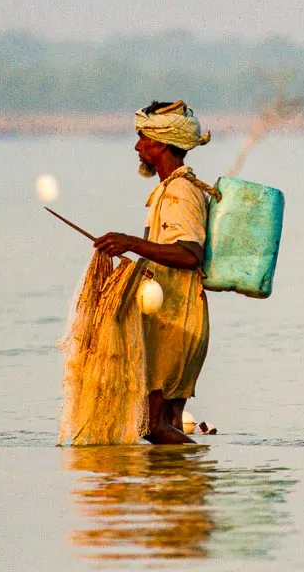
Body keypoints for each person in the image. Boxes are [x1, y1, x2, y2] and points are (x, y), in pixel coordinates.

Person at [94, 100, 218, 445]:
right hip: (176, 317)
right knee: (170, 423)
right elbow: (167, 253)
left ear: (160, 143)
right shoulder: (168, 189)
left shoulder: (180, 191)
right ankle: (181, 493)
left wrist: (131, 242)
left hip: (177, 322)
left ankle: (201, 472)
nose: (137, 147)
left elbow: (189, 255)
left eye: (142, 138)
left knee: (152, 426)